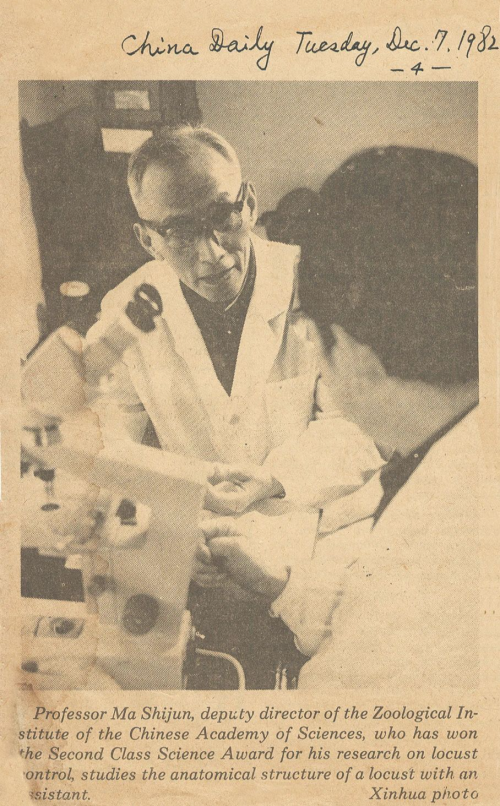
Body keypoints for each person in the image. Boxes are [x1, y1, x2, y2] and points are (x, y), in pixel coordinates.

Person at [86, 126, 383, 688]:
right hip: (203, 555)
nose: (212, 253)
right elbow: (107, 444)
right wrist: (173, 514)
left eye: (223, 216)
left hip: (316, 552)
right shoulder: (127, 313)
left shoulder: (316, 285)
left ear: (248, 203)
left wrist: (271, 479)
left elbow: (360, 428)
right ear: (147, 239)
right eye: (179, 232)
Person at [202, 146, 481, 688]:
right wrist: (281, 584)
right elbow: (378, 613)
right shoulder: (450, 458)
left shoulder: (445, 529)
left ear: (354, 351)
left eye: (311, 330)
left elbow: (355, 684)